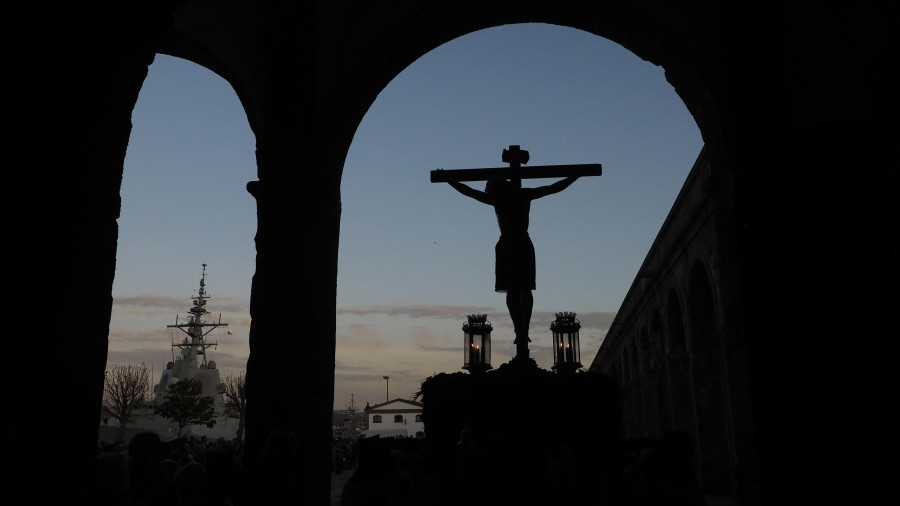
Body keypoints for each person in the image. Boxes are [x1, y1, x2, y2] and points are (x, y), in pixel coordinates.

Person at [445, 175, 579, 357]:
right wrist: (575, 175)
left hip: (514, 244)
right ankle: (521, 330)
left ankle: (522, 330)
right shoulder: (516, 196)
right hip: (514, 244)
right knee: (518, 290)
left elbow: (553, 187)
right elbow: (553, 187)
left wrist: (450, 180)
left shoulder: (504, 197)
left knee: (520, 290)